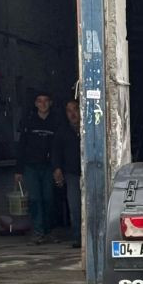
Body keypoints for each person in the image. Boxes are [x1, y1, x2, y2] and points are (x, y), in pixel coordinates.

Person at [14, 93, 60, 244]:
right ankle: (38, 232)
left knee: (48, 199)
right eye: (40, 101)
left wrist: (57, 167)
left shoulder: (56, 122)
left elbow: (59, 147)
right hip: (31, 167)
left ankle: (48, 230)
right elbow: (21, 146)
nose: (43, 104)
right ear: (35, 104)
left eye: (46, 101)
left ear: (50, 103)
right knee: (34, 200)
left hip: (48, 167)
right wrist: (19, 170)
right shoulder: (29, 122)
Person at [54, 99, 83, 248]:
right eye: (69, 110)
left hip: (90, 172)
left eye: (75, 109)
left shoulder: (89, 128)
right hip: (71, 174)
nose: (72, 113)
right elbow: (56, 152)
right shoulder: (63, 132)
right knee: (75, 206)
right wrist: (57, 169)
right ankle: (78, 237)